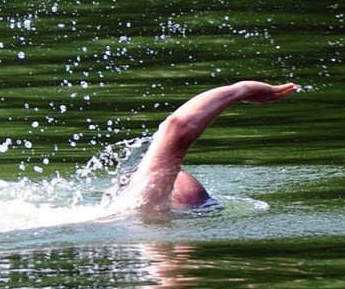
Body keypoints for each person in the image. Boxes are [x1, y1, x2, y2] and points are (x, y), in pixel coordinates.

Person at [124, 80, 299, 213]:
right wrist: (241, 90)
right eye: (169, 184)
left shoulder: (138, 216)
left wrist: (240, 90)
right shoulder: (147, 205)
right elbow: (178, 126)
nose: (174, 174)